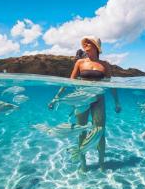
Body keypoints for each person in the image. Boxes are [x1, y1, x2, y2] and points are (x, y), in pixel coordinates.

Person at [49, 36, 121, 172]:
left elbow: (111, 85)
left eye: (89, 42)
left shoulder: (105, 65)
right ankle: (83, 165)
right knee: (80, 130)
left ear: (96, 46)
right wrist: (56, 97)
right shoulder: (80, 63)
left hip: (98, 99)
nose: (86, 44)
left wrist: (117, 102)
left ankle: (101, 164)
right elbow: (69, 82)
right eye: (85, 42)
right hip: (82, 100)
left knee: (100, 131)